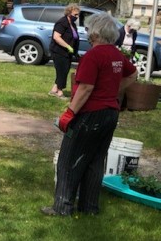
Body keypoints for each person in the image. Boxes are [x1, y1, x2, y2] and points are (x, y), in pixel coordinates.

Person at [41, 12, 138, 216]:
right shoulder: (116, 54)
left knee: (69, 160)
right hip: (110, 114)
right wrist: (113, 91)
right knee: (95, 160)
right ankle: (89, 207)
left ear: (95, 32)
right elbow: (133, 74)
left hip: (89, 115)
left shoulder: (93, 56)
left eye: (88, 31)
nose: (87, 34)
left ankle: (62, 207)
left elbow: (85, 88)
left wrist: (69, 113)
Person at [48, 3, 80, 99]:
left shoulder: (73, 25)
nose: (77, 17)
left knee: (64, 70)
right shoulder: (62, 23)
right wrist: (67, 46)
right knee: (62, 71)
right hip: (59, 51)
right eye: (75, 15)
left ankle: (54, 90)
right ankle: (60, 92)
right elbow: (56, 37)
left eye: (78, 15)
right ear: (69, 13)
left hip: (68, 53)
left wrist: (74, 51)